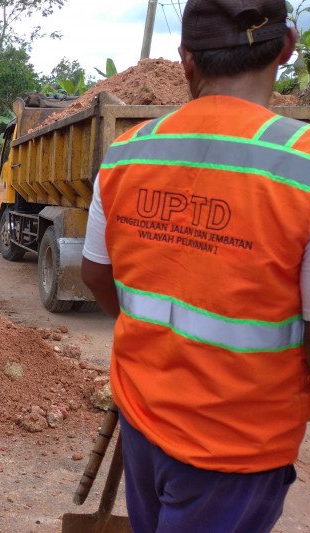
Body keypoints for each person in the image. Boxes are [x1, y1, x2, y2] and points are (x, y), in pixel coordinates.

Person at [80, 1, 310, 532]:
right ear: (286, 47)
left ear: (186, 60)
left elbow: (97, 273)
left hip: (142, 419)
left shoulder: (125, 154)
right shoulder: (301, 165)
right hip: (237, 446)